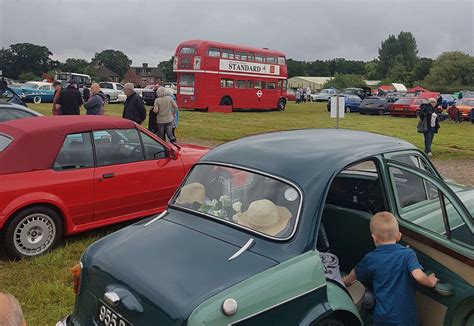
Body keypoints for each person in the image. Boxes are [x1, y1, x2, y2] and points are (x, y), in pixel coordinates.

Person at [343, 212, 438, 326]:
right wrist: (430, 282)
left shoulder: (371, 258)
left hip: (383, 318)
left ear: (374, 238)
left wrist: (345, 281)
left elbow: (354, 274)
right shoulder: (408, 254)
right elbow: (418, 276)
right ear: (399, 235)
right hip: (407, 318)